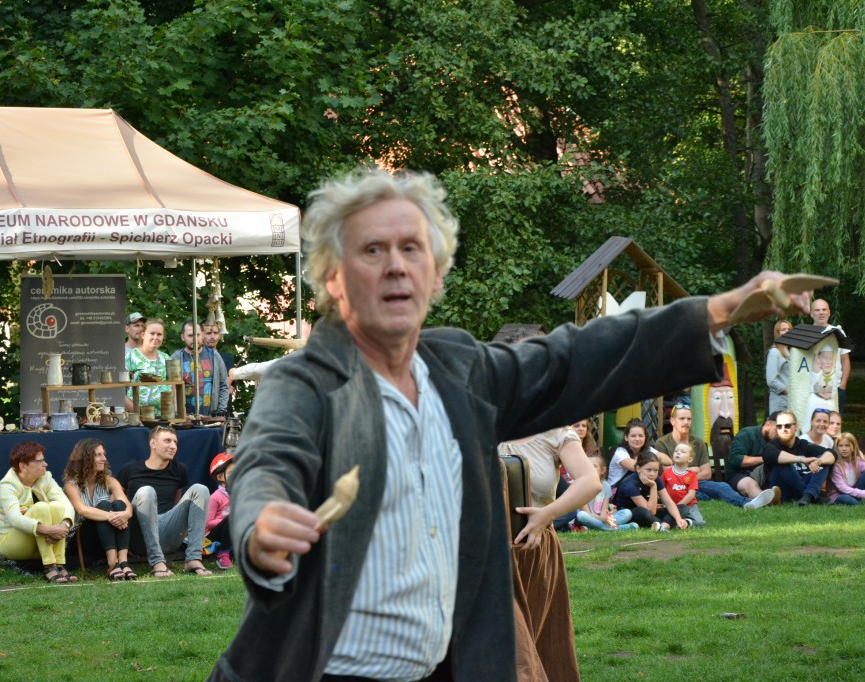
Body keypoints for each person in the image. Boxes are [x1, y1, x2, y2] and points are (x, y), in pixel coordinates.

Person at [208, 169, 803, 682]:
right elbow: (269, 464)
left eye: (412, 248)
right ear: (333, 278)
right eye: (372, 250)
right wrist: (264, 526)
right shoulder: (303, 384)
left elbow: (577, 358)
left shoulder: (459, 368)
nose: (395, 266)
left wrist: (717, 311)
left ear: (435, 274)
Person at [497, 427, 601, 681]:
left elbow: (590, 481)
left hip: (535, 555)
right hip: (488, 558)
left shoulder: (554, 433)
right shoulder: (474, 425)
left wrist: (547, 514)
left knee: (543, 648)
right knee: (514, 654)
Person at [116, 425, 211, 578]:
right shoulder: (130, 469)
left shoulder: (179, 470)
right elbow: (116, 502)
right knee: (147, 492)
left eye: (175, 442)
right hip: (139, 536)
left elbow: (177, 502)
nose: (173, 446)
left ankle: (194, 558)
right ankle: (157, 562)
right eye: (167, 441)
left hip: (167, 533)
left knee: (201, 489)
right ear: (153, 443)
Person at [654, 405, 773, 510]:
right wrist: (695, 470)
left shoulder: (698, 443)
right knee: (701, 495)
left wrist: (686, 474)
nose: (686, 422)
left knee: (722, 486)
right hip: (676, 486)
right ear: (672, 421)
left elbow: (706, 473)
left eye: (689, 419)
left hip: (698, 483)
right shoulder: (662, 443)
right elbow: (668, 474)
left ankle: (748, 503)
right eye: (682, 419)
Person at [0, 441, 77, 583]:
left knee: (57, 507)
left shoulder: (46, 478)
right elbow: (15, 519)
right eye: (40, 461)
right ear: (23, 466)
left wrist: (64, 525)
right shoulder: (7, 485)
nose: (45, 464)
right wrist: (50, 531)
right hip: (13, 543)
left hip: (43, 541)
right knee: (41, 508)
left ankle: (59, 564)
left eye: (44, 460)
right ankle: (49, 567)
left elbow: (66, 504)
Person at [62, 438, 136, 580]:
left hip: (108, 536)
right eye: (98, 455)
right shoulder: (70, 486)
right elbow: (82, 510)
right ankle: (112, 563)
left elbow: (126, 504)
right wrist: (112, 516)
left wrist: (126, 514)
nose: (104, 459)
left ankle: (123, 562)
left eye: (104, 454)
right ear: (85, 459)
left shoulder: (110, 481)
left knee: (119, 505)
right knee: (104, 505)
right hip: (83, 537)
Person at [764, 411, 835, 505]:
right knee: (782, 463)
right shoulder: (771, 445)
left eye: (787, 426)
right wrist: (801, 459)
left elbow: (832, 453)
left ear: (796, 427)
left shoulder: (803, 445)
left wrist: (819, 461)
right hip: (782, 491)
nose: (783, 429)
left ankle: (808, 496)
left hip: (802, 484)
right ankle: (813, 497)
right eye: (779, 426)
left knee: (823, 461)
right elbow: (773, 455)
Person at [612, 451, 690, 531]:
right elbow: (651, 511)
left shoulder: (656, 479)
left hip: (650, 513)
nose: (652, 474)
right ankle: (666, 524)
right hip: (632, 515)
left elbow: (668, 502)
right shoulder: (630, 484)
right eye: (648, 470)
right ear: (638, 468)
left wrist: (678, 518)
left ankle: (664, 525)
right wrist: (653, 487)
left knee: (683, 508)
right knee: (642, 511)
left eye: (655, 470)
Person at [171, 320, 228, 417]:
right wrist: (177, 415)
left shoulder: (214, 356)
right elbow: (170, 389)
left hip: (210, 418)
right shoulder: (175, 358)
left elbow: (224, 385)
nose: (194, 339)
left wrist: (220, 411)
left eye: (197, 335)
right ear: (182, 337)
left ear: (203, 335)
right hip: (184, 419)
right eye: (190, 335)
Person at [726, 413, 783, 505]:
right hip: (739, 474)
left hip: (764, 474)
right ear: (768, 424)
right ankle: (767, 502)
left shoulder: (780, 439)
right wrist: (768, 458)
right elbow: (736, 459)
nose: (779, 433)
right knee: (750, 484)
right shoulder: (747, 433)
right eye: (777, 428)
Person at [575, 455, 639, 532]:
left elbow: (604, 510)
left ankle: (596, 528)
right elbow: (587, 513)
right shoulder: (581, 486)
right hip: (588, 517)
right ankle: (617, 528)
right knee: (581, 515)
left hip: (600, 520)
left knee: (627, 513)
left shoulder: (606, 486)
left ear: (602, 470)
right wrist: (602, 519)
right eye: (587, 466)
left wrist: (606, 517)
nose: (590, 468)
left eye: (594, 466)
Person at [125, 318, 173, 417]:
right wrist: (137, 412)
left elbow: (174, 388)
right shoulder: (131, 357)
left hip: (163, 417)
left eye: (159, 334)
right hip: (139, 418)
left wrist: (173, 412)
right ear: (143, 335)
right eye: (152, 333)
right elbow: (119, 391)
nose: (155, 337)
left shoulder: (166, 358)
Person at [810, 298, 850, 412]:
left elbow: (845, 360)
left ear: (829, 312)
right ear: (811, 313)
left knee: (834, 421)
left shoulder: (838, 332)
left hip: (835, 388)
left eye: (824, 309)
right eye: (817, 310)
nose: (821, 312)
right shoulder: (806, 333)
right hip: (812, 389)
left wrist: (843, 385)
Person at [607, 419, 663, 487]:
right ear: (626, 437)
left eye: (640, 436)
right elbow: (636, 468)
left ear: (645, 437)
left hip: (637, 486)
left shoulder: (648, 449)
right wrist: (655, 466)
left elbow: (668, 461)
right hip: (617, 488)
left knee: (664, 468)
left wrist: (657, 463)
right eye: (633, 436)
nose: (637, 439)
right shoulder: (620, 452)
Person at [660, 443, 704, 526]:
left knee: (699, 522)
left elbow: (691, 495)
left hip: (689, 505)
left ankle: (685, 522)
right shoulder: (666, 473)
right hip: (670, 505)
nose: (678, 453)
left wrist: (679, 506)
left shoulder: (691, 475)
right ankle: (675, 521)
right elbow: (661, 490)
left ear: (690, 459)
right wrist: (666, 504)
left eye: (683, 452)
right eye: (676, 451)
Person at [205, 452, 234, 570]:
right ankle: (223, 554)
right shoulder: (215, 497)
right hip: (212, 536)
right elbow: (207, 523)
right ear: (220, 477)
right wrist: (224, 521)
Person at [826, 432, 865, 505]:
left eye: (847, 445)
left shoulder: (858, 461)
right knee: (846, 498)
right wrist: (862, 493)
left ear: (853, 447)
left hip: (854, 490)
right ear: (837, 448)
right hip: (839, 495)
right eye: (841, 446)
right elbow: (841, 487)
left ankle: (856, 501)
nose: (844, 449)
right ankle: (858, 504)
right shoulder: (836, 465)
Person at [766, 320, 793, 413]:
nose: (787, 332)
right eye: (783, 329)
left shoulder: (791, 352)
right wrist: (787, 391)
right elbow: (771, 380)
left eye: (789, 329)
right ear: (777, 333)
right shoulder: (775, 352)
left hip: (790, 400)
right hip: (780, 401)